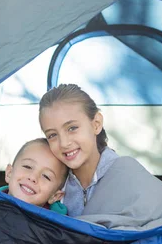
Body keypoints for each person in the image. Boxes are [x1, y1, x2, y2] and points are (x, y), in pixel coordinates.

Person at [39, 84, 119, 217]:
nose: (64, 143)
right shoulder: (53, 185)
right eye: (52, 135)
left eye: (72, 128)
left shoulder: (125, 175)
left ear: (96, 124)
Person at [0, 138, 68, 214]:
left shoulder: (55, 224)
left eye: (46, 176)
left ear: (54, 196)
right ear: (9, 173)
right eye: (27, 167)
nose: (33, 177)